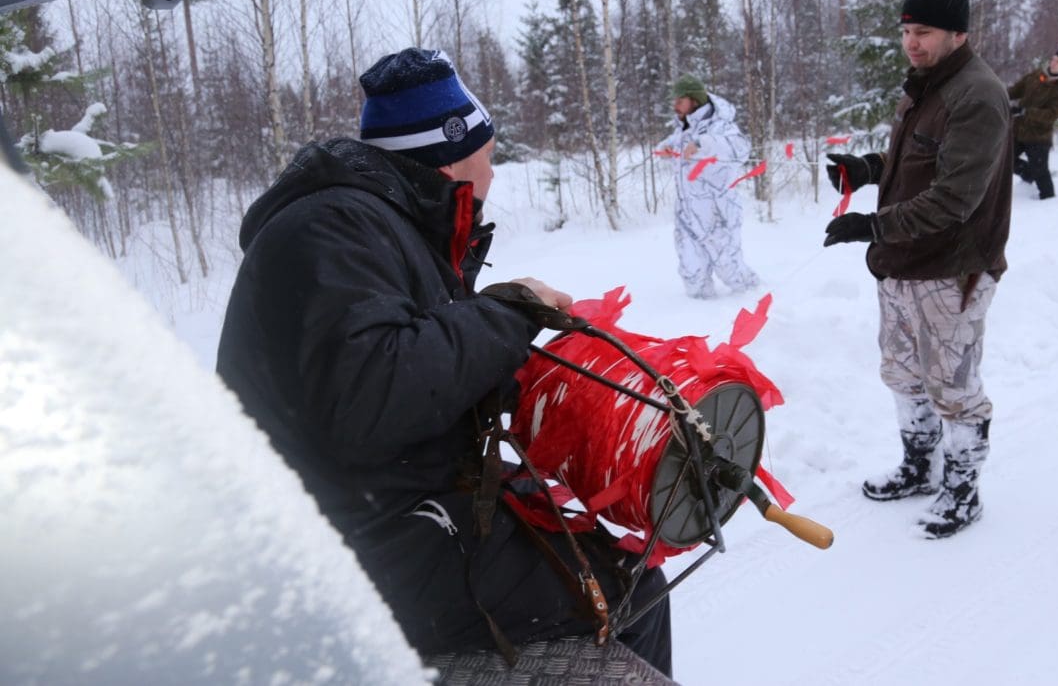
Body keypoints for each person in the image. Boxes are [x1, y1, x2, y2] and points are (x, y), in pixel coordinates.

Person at [216, 48, 672, 674]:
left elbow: (419, 366)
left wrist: (544, 383)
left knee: (630, 575)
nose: (494, 166)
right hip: (343, 543)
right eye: (490, 150)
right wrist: (509, 316)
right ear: (453, 151)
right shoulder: (335, 225)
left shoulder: (384, 221)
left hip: (386, 507)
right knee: (633, 593)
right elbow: (373, 393)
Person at [821, 0, 1013, 539]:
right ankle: (919, 466)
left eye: (923, 32)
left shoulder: (977, 95)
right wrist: (869, 169)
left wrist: (873, 225)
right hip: (902, 262)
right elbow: (915, 160)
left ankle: (963, 490)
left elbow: (955, 196)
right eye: (906, 31)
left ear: (958, 32)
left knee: (952, 384)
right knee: (903, 374)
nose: (912, 42)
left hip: (952, 268)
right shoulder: (925, 86)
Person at [656, 73, 760, 299]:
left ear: (694, 100)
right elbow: (674, 146)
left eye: (680, 100)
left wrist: (704, 144)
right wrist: (665, 148)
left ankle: (756, 296)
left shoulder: (720, 126)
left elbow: (741, 148)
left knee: (729, 268)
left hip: (717, 212)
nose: (675, 106)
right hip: (687, 214)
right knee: (692, 273)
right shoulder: (684, 128)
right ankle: (701, 317)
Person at [1008, 46, 1058, 200]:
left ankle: (1048, 200)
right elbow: (1015, 90)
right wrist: (998, 95)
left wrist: (1025, 111)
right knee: (1006, 160)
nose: (1053, 63)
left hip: (1039, 136)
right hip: (1019, 131)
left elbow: (1051, 114)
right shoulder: (1036, 76)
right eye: (1053, 59)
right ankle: (1028, 176)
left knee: (1041, 172)